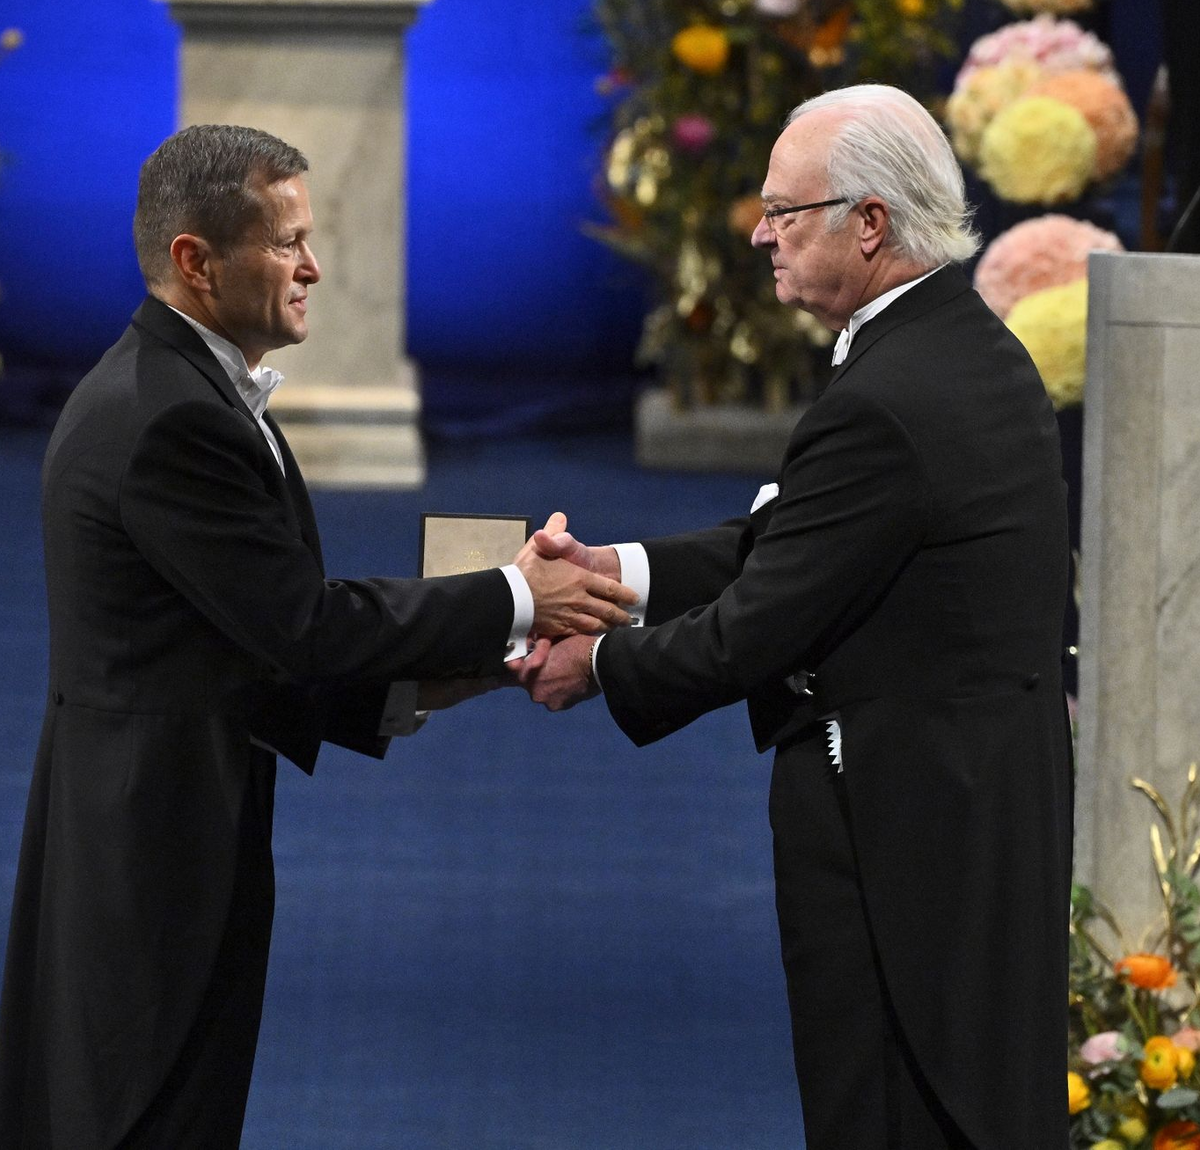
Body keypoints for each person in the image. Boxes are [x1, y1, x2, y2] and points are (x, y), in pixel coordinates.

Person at [0, 124, 636, 1150]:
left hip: (167, 822)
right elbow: (300, 622)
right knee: (142, 1113)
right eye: (286, 242)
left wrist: (456, 672)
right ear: (195, 262)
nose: (315, 266)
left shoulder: (188, 387)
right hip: (152, 852)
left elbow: (238, 634)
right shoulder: (173, 418)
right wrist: (516, 595)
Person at [515, 85, 1073, 1148]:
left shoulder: (890, 398)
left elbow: (759, 622)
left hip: (906, 842)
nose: (760, 233)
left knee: (893, 1111)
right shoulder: (960, 346)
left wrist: (594, 661)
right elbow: (806, 539)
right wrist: (613, 572)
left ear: (869, 223)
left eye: (784, 209)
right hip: (974, 813)